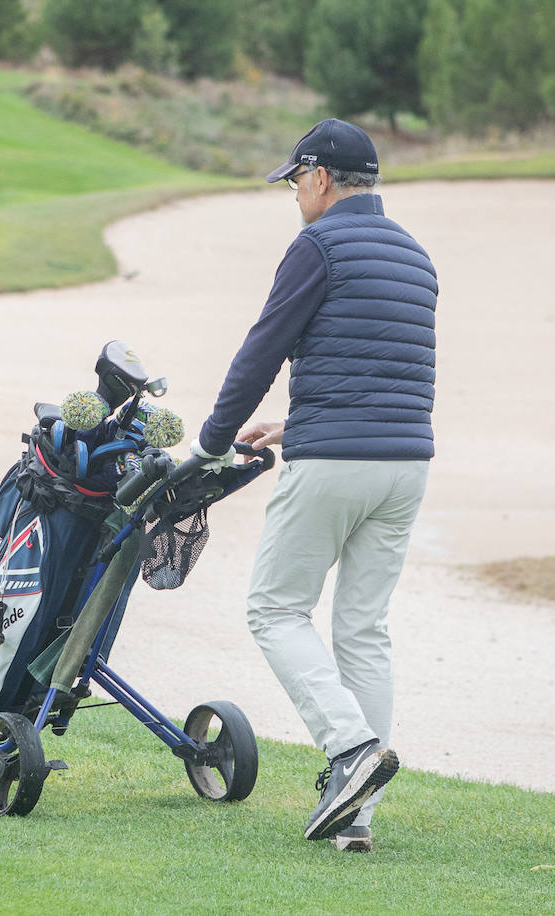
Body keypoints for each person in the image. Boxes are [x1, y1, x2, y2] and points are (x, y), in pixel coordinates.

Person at [190, 118, 437, 852]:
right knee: (362, 628)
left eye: (296, 180)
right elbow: (386, 376)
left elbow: (262, 350)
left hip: (334, 464)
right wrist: (295, 431)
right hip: (404, 468)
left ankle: (352, 750)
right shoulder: (416, 257)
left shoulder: (318, 245)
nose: (295, 195)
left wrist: (209, 443)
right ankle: (355, 817)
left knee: (274, 609)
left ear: (321, 177)